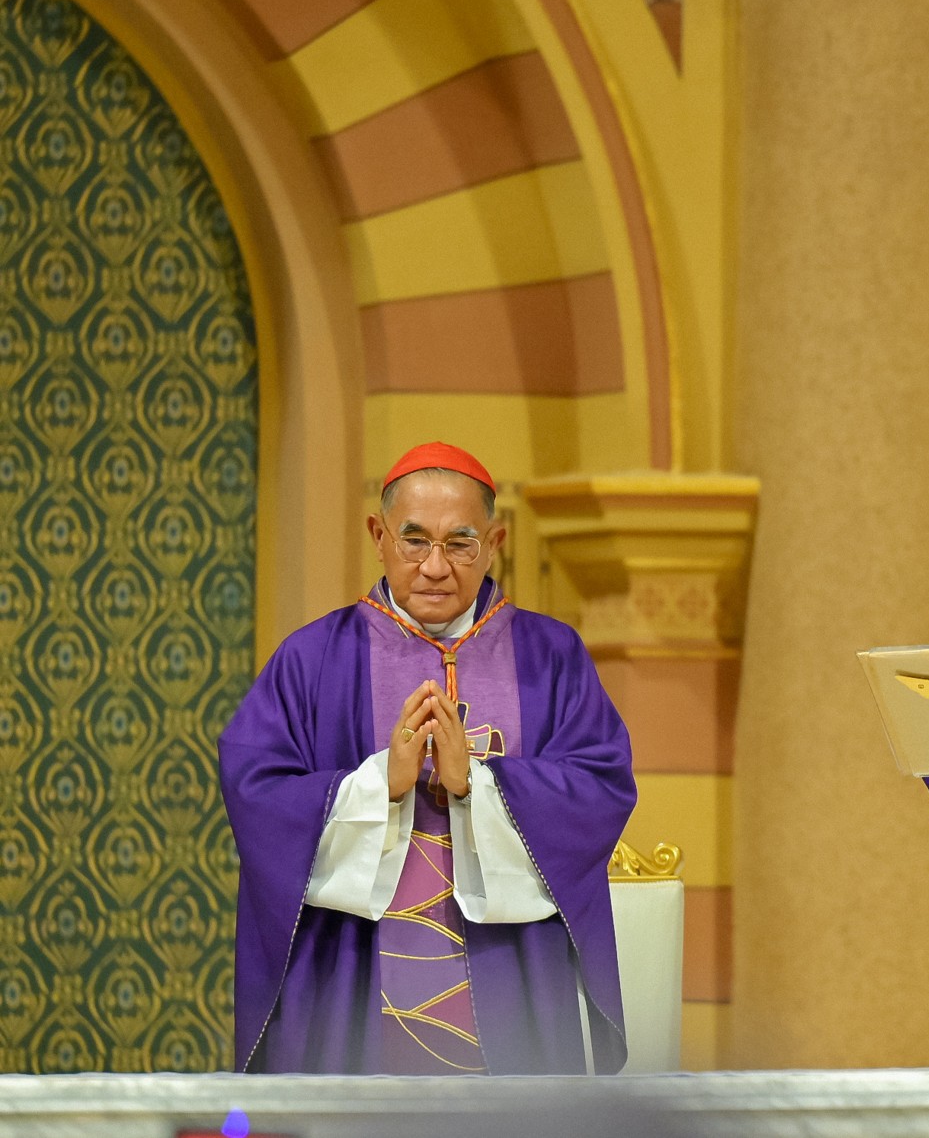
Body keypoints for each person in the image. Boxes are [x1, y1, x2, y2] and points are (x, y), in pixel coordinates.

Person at [220, 442, 636, 1074]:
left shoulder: (551, 657)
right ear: (378, 536)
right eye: (414, 541)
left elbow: (602, 786)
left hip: (514, 980)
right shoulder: (313, 659)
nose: (435, 567)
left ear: (494, 543)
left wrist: (478, 785)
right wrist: (377, 786)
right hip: (350, 985)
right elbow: (256, 791)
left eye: (460, 543)